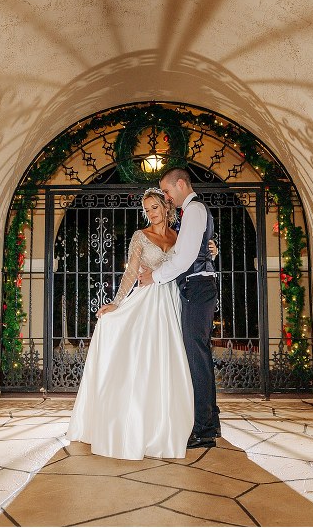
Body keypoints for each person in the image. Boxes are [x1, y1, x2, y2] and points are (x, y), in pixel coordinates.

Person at [65, 187, 194, 460]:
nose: (150, 213)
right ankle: (134, 426)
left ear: (165, 206)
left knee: (169, 362)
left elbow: (188, 262)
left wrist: (211, 251)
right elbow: (131, 273)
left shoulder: (180, 236)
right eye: (146, 210)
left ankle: (166, 427)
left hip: (172, 302)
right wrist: (117, 303)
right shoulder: (140, 236)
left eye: (154, 208)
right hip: (148, 301)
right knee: (144, 361)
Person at [139, 167, 221, 449]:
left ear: (181, 184)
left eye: (167, 190)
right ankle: (211, 423)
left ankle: (203, 430)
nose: (166, 196)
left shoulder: (194, 209)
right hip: (199, 287)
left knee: (196, 357)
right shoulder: (194, 212)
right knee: (200, 355)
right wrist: (211, 250)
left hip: (198, 289)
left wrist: (155, 277)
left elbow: (185, 258)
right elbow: (196, 249)